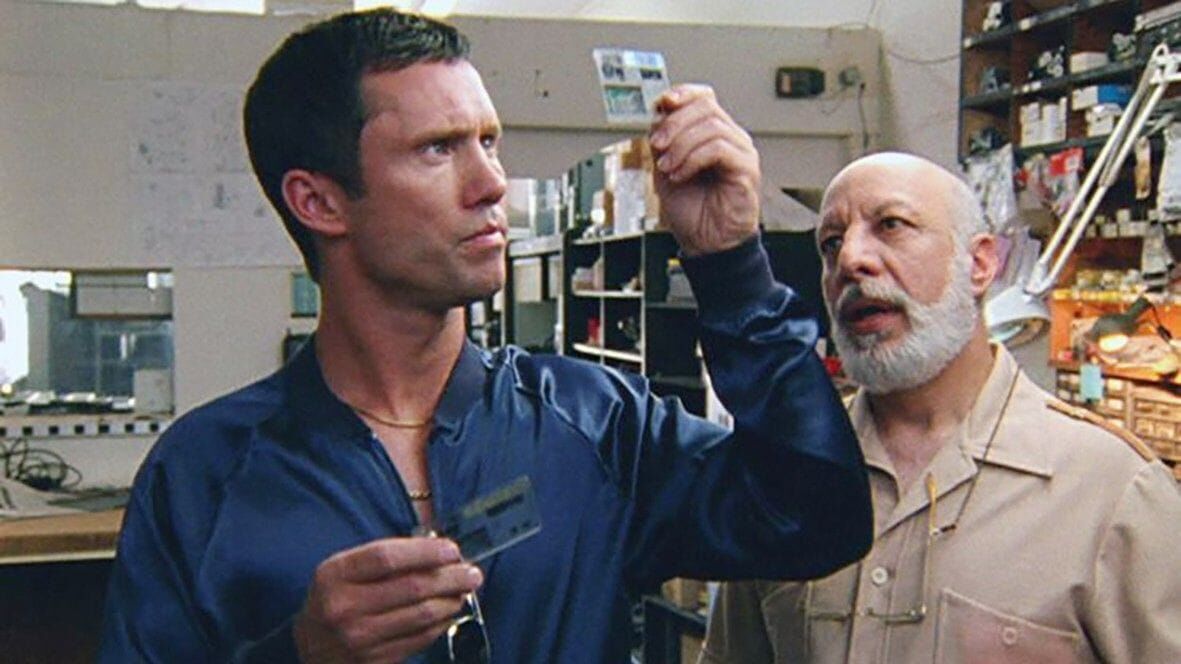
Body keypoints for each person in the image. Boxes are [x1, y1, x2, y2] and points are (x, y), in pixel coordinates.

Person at [97, 9, 873, 663]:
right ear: (320, 202)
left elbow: (815, 521)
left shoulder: (594, 422)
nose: (492, 183)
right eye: (438, 149)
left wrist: (731, 266)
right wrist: (299, 655)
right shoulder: (205, 474)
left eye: (489, 141)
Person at [699, 151, 1181, 663]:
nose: (850, 260)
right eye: (831, 243)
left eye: (891, 225)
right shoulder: (789, 469)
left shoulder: (1111, 491)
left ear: (980, 264)